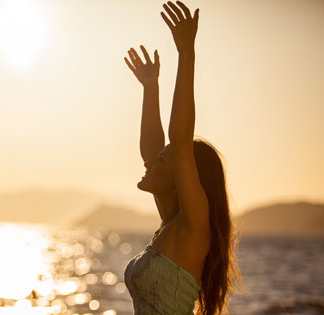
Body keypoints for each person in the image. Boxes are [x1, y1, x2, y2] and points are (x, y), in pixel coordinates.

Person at [122, 1, 240, 314]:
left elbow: (180, 140)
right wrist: (150, 87)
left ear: (183, 176)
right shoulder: (171, 223)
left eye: (163, 160)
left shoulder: (192, 224)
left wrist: (186, 54)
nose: (150, 163)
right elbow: (153, 150)